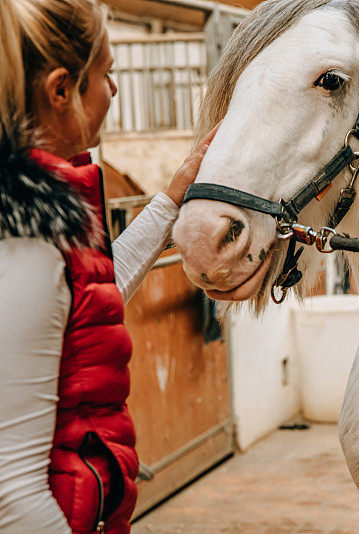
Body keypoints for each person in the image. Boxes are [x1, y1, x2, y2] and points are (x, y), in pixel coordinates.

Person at [0, 1, 216, 532]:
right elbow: (13, 491)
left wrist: (171, 197)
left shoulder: (45, 216)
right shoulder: (27, 238)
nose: (114, 91)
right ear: (60, 91)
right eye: (107, 75)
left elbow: (88, 294)